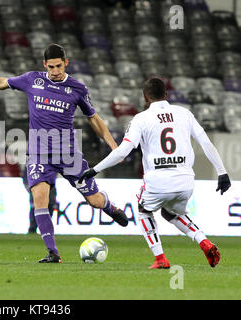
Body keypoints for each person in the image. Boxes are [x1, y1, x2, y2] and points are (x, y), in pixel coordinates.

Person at [0, 44, 129, 263]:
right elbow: (1, 82)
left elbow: (94, 118)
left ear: (66, 62)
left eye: (59, 66)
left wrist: (114, 146)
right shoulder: (33, 79)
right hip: (39, 154)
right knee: (39, 198)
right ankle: (53, 252)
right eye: (51, 67)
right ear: (45, 65)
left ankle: (109, 207)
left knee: (94, 201)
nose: (55, 71)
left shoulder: (77, 88)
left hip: (68, 155)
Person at [79, 77, 231, 269]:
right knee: (172, 213)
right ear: (166, 95)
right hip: (185, 180)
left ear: (145, 98)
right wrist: (222, 173)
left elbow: (122, 152)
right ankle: (203, 241)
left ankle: (160, 258)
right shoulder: (184, 113)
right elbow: (206, 143)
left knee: (144, 211)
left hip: (157, 180)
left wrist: (94, 169)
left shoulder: (140, 119)